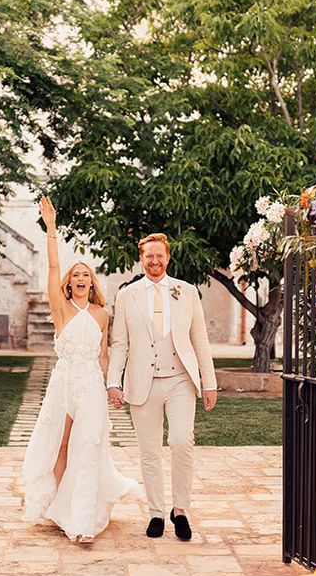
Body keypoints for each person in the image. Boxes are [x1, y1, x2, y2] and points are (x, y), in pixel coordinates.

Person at [21, 196, 140, 543]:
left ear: (92, 282)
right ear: (70, 284)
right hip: (63, 384)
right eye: (76, 276)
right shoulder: (61, 310)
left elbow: (103, 357)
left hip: (89, 385)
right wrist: (51, 229)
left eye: (85, 275)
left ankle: (83, 521)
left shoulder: (102, 314)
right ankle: (61, 506)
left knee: (87, 447)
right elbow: (53, 269)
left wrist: (112, 386)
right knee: (61, 447)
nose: (80, 279)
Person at [107, 233, 217, 541]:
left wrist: (210, 383)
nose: (155, 261)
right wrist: (113, 381)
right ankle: (156, 511)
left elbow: (200, 340)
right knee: (149, 451)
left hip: (181, 378)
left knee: (182, 441)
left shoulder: (187, 291)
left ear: (167, 258)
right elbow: (120, 344)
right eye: (149, 256)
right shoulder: (127, 295)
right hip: (143, 382)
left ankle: (180, 510)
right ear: (141, 258)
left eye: (160, 256)